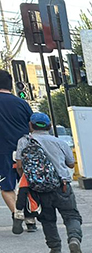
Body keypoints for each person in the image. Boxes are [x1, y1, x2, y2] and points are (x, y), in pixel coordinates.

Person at [16, 113, 83, 253]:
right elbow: (71, 164)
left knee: (47, 219)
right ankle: (74, 239)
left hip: (38, 189)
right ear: (50, 126)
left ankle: (55, 249)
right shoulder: (59, 142)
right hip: (62, 186)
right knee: (71, 216)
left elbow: (20, 166)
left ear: (30, 126)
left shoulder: (24, 142)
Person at [0, 69, 33, 234]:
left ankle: (16, 213)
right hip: (24, 150)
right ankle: (31, 217)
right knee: (27, 183)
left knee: (6, 186)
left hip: (2, 151)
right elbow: (31, 125)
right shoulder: (22, 103)